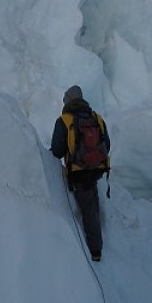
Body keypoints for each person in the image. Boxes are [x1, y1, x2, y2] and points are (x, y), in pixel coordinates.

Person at [50, 86, 110, 261]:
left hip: (78, 173)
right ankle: (98, 236)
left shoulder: (64, 120)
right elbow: (107, 144)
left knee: (88, 211)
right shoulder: (96, 118)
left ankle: (95, 252)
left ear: (67, 101)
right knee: (92, 203)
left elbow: (57, 150)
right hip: (97, 169)